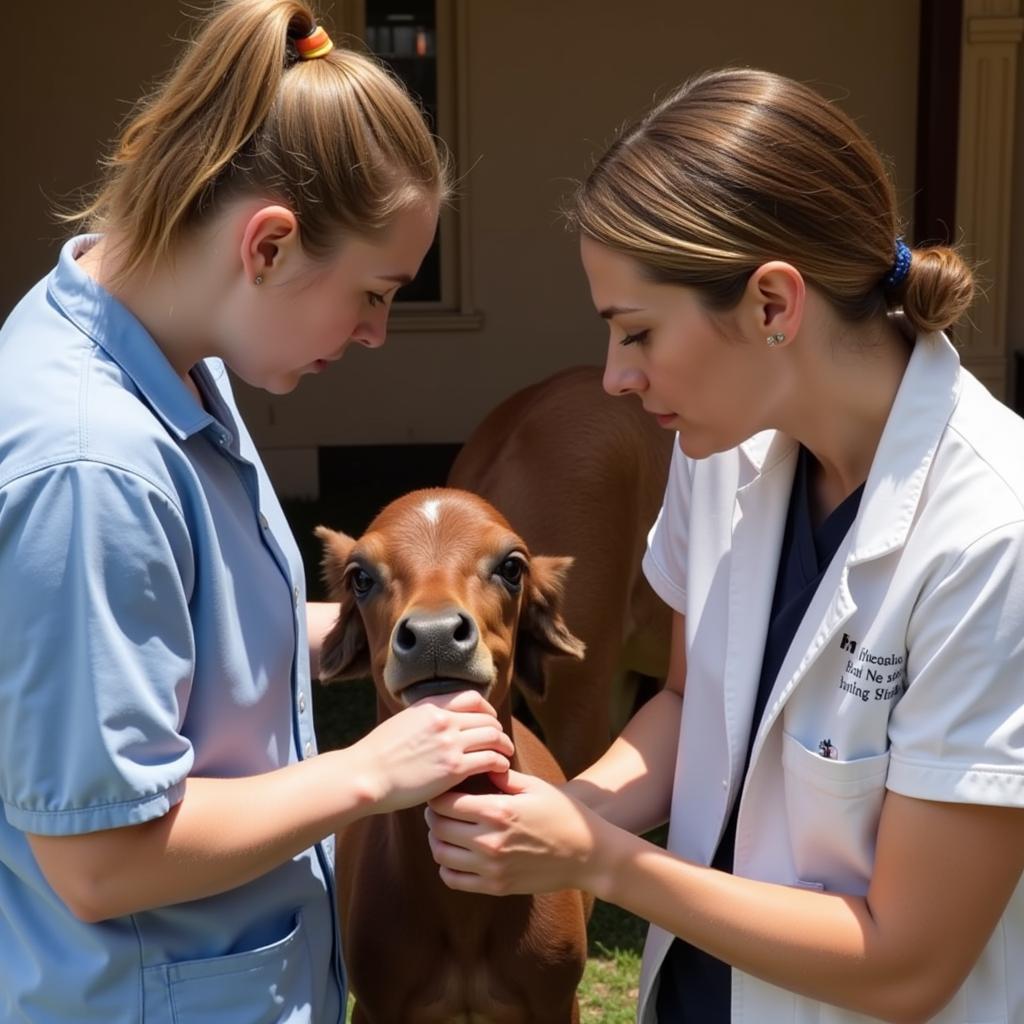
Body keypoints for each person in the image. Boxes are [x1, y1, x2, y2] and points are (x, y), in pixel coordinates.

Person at [425, 68, 1024, 1023]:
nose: (617, 378)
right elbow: (690, 698)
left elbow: (909, 965)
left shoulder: (995, 537)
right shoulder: (719, 444)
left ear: (774, 307)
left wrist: (597, 859)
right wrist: (571, 807)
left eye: (639, 333)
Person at [0, 2, 514, 1021]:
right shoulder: (89, 467)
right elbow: (101, 861)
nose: (374, 333)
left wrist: (363, 626)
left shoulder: (180, 354)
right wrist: (373, 771)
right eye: (373, 293)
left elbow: (175, 628)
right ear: (268, 245)